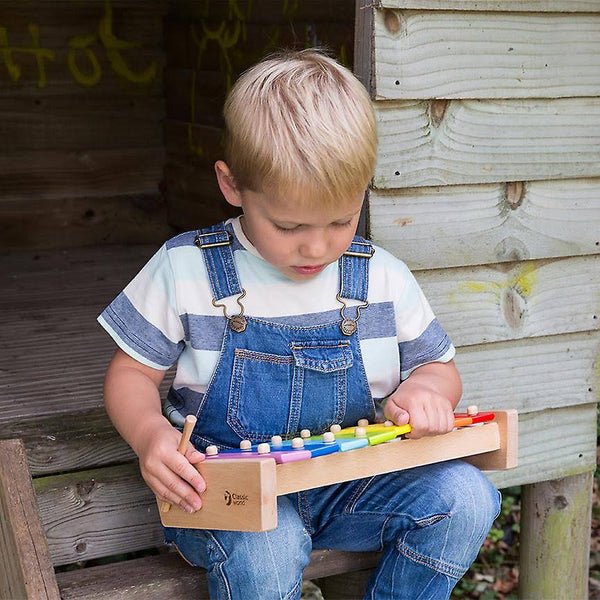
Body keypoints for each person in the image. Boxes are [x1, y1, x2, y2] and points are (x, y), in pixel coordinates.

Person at [98, 49, 500, 600]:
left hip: (351, 485)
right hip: (225, 493)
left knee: (467, 496)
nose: (317, 246)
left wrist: (428, 389)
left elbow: (438, 366)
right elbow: (129, 377)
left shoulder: (381, 276)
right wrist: (151, 437)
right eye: (288, 225)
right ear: (232, 185)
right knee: (269, 545)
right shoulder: (186, 270)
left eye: (341, 220)